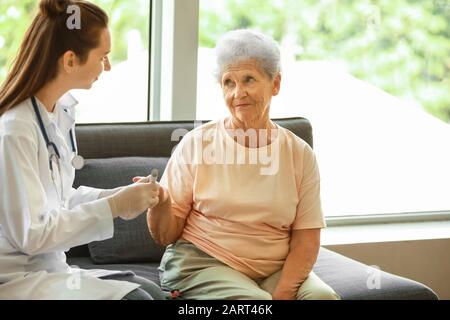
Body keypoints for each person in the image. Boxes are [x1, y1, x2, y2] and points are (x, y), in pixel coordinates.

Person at [147, 29, 341, 300]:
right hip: (204, 263)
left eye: (249, 79)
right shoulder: (197, 144)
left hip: (273, 269)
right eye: (229, 82)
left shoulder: (299, 154)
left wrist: (284, 292)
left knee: (323, 298)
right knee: (256, 304)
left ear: (275, 84)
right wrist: (160, 204)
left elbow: (307, 239)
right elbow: (165, 234)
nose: (238, 93)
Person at [0, 0, 164, 300]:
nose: (108, 66)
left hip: (51, 269)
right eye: (103, 56)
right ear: (70, 60)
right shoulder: (15, 130)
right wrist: (113, 208)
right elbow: (33, 234)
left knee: (155, 292)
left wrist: (116, 197)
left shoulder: (59, 112)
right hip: (15, 276)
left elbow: (59, 199)